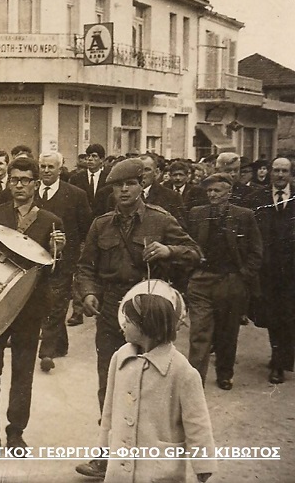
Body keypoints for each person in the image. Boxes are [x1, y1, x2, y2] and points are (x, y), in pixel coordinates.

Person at [74, 158, 201, 479]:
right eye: (117, 186)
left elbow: (195, 253)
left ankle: (146, 456)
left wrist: (168, 251)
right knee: (110, 380)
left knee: (152, 385)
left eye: (129, 184)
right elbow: (86, 265)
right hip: (110, 309)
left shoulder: (161, 221)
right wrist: (88, 292)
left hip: (148, 309)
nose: (123, 191)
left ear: (142, 185)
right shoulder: (100, 224)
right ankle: (106, 456)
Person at [0, 157, 65, 457]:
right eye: (15, 180)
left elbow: (54, 272)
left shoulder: (51, 221)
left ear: (36, 184)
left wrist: (56, 253)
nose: (19, 185)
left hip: (29, 307)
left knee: (22, 372)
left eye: (25, 180)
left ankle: (16, 435)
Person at [100, 293, 216, 483]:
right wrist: (104, 447)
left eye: (128, 321)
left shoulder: (183, 372)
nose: (123, 326)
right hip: (119, 467)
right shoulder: (120, 358)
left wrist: (203, 464)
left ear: (145, 326)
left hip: (157, 470)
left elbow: (197, 422)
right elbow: (109, 409)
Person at [186, 173, 262, 390]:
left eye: (217, 191)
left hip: (230, 281)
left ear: (229, 193)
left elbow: (256, 251)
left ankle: (225, 373)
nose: (212, 194)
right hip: (201, 280)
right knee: (199, 332)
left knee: (227, 332)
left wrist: (244, 275)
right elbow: (188, 245)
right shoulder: (196, 214)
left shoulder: (244, 216)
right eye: (209, 191)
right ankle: (194, 381)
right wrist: (190, 274)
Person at [35, 152, 92, 356]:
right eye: (43, 166)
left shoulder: (76, 195)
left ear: (60, 169)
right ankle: (60, 344)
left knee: (57, 302)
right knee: (44, 302)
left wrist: (74, 252)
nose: (47, 171)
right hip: (36, 259)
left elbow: (85, 227)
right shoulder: (32, 193)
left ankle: (47, 352)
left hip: (64, 260)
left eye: (51, 167)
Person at [253, 157, 295, 384]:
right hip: (267, 270)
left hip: (292, 271)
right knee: (273, 315)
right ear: (270, 172)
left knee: (288, 315)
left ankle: (281, 360)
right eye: (276, 170)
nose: (280, 175)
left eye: (284, 171)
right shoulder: (258, 198)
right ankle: (280, 357)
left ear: (290, 174)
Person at [69, 143, 109, 211]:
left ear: (102, 159)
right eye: (88, 156)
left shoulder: (108, 178)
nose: (90, 159)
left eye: (94, 156)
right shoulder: (75, 178)